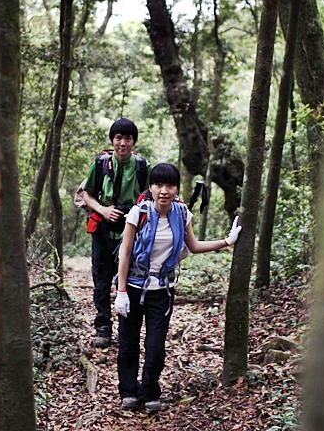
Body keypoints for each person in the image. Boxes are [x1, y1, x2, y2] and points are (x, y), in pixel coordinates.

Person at [114, 163, 242, 412]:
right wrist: (120, 292)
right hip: (133, 287)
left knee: (155, 346)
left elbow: (193, 246)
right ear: (150, 187)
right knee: (128, 343)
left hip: (162, 289)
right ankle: (128, 392)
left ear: (176, 189)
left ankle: (149, 393)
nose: (164, 190)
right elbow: (125, 253)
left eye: (170, 185)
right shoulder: (138, 213)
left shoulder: (182, 213)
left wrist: (227, 242)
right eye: (158, 185)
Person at [79, 118, 152, 348]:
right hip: (103, 233)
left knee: (129, 281)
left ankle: (126, 329)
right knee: (101, 282)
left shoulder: (143, 167)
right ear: (112, 140)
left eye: (127, 138)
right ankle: (102, 327)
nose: (122, 143)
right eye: (118, 138)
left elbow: (152, 197)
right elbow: (86, 194)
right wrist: (103, 209)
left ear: (133, 141)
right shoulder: (101, 164)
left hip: (132, 236)